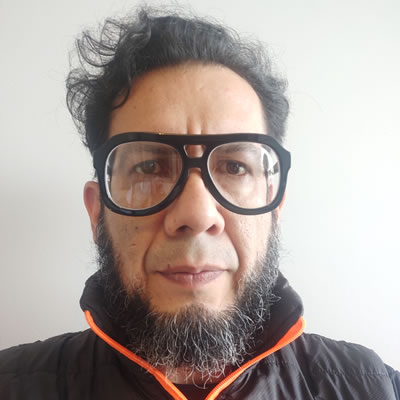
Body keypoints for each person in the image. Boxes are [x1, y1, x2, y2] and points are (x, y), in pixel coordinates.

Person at [0, 7, 399, 400]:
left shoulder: (373, 387)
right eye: (150, 166)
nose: (197, 214)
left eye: (235, 167)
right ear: (96, 211)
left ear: (275, 209)